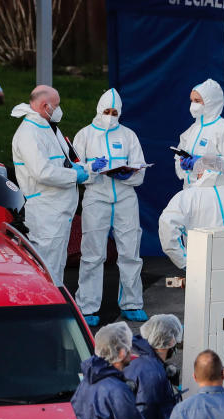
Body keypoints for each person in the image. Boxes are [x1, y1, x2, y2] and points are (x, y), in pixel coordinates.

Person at [72, 88, 148, 326]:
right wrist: (92, 168)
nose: (111, 115)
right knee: (93, 254)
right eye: (107, 111)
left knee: (130, 253)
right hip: (96, 197)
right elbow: (75, 170)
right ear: (99, 109)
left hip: (125, 198)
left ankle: (132, 303)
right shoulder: (84, 135)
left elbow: (140, 170)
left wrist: (129, 176)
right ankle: (87, 306)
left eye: (115, 112)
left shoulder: (128, 136)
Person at [11, 85, 90, 285]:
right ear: (45, 106)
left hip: (57, 210)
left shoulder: (47, 127)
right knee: (47, 267)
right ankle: (48, 311)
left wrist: (77, 167)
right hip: (45, 211)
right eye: (57, 105)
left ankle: (55, 308)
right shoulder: (29, 133)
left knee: (56, 264)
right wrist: (74, 175)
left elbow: (60, 161)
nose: (59, 109)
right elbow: (42, 172)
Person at [158, 155, 224, 269]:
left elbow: (168, 232)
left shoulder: (186, 197)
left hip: (200, 263)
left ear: (198, 172)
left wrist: (185, 262)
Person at [174, 79, 224, 189]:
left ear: (210, 102)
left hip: (214, 192)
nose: (193, 105)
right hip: (190, 191)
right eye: (191, 100)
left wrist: (204, 162)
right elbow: (178, 157)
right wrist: (183, 163)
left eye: (197, 101)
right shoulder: (192, 129)